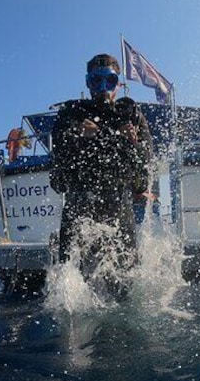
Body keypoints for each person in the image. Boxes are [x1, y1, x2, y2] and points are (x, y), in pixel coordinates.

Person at [49, 53, 153, 281]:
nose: (103, 88)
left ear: (118, 83)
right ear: (88, 83)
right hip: (79, 206)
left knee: (125, 281)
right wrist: (78, 135)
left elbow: (145, 167)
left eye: (110, 81)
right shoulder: (71, 115)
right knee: (69, 281)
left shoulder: (131, 115)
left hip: (118, 207)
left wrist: (132, 143)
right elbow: (57, 164)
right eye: (96, 81)